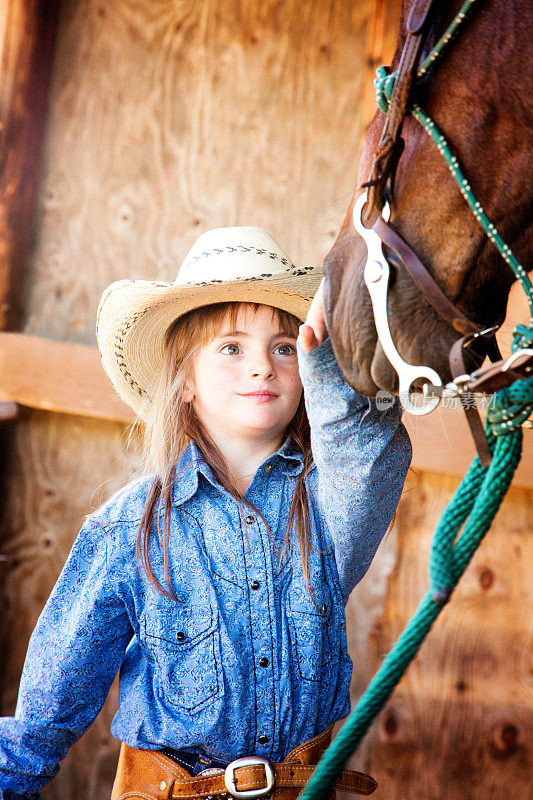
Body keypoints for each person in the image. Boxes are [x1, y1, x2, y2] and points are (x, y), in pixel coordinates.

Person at [0, 227, 412, 800]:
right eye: (231, 348)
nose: (261, 367)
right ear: (185, 382)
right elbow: (47, 708)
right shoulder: (130, 529)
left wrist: (326, 354)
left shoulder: (326, 508)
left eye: (284, 347)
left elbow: (368, 452)